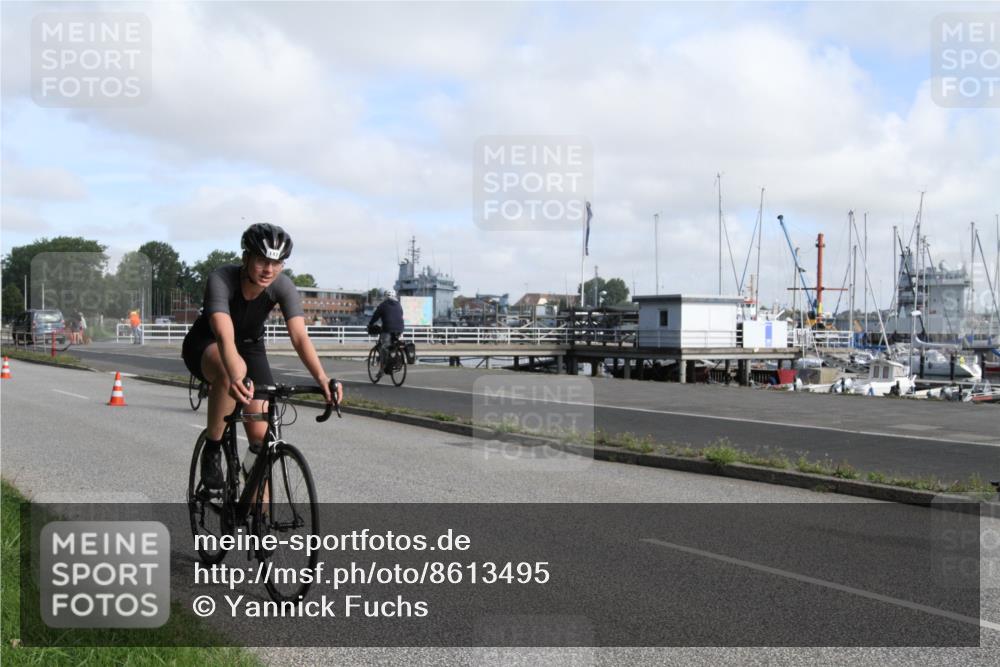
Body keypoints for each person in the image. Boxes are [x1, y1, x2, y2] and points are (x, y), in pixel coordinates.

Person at [181, 223, 342, 489]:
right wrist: (235, 374)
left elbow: (300, 337)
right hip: (208, 342)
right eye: (262, 261)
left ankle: (257, 517)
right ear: (246, 258)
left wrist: (323, 379)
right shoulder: (221, 279)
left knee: (261, 440)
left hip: (250, 346)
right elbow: (223, 335)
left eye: (277, 263)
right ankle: (212, 449)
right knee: (230, 370)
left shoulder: (282, 285)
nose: (269, 269)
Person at [368, 289, 404, 374]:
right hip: (400, 329)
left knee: (383, 347)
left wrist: (370, 324)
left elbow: (376, 316)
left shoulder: (383, 305)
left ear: (385, 296)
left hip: (388, 329)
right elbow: (401, 314)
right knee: (393, 345)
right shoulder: (399, 304)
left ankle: (383, 368)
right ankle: (395, 361)